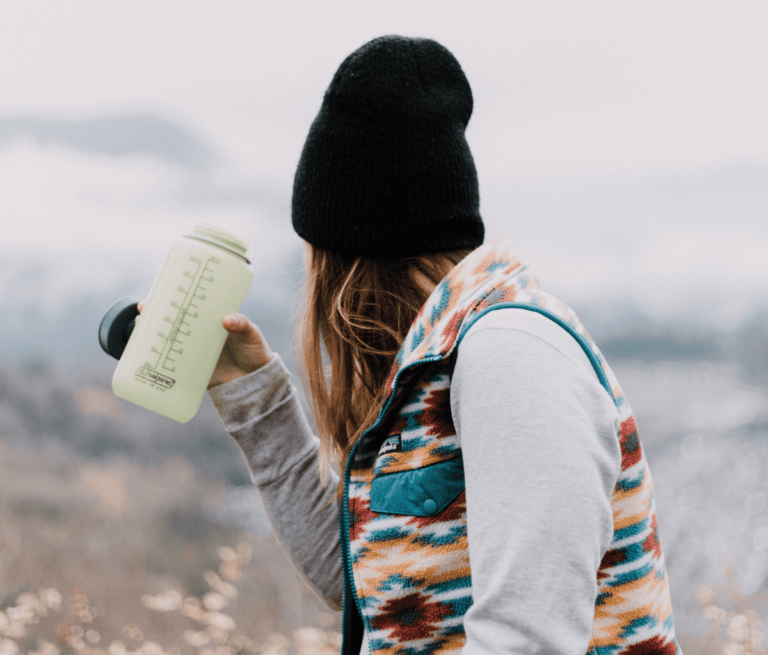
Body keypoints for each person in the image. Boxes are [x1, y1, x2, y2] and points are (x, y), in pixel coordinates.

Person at [142, 35, 681, 654]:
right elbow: (368, 589)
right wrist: (253, 395)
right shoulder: (436, 364)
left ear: (344, 258)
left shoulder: (512, 355)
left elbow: (525, 639)